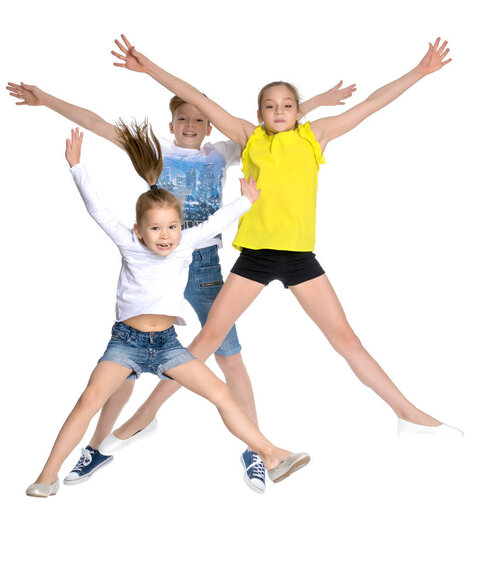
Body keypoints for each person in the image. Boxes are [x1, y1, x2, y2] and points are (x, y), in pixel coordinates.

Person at [101, 35, 462, 445]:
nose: (278, 111)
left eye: (287, 105)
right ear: (259, 113)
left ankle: (407, 413)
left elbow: (372, 104)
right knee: (206, 341)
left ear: (297, 110)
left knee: (346, 339)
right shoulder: (248, 136)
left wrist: (419, 71)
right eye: (269, 106)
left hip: (298, 258)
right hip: (255, 257)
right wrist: (150, 68)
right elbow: (192, 96)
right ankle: (142, 419)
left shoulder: (315, 136)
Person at [7, 78, 355, 493]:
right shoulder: (155, 152)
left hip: (202, 260)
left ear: (211, 127)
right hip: (153, 265)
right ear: (170, 124)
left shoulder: (223, 152)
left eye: (200, 119)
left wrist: (314, 103)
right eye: (182, 118)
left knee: (229, 355)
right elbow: (96, 123)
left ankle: (256, 449)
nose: (190, 124)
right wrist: (45, 99)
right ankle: (97, 446)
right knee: (124, 368)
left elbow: (274, 126)